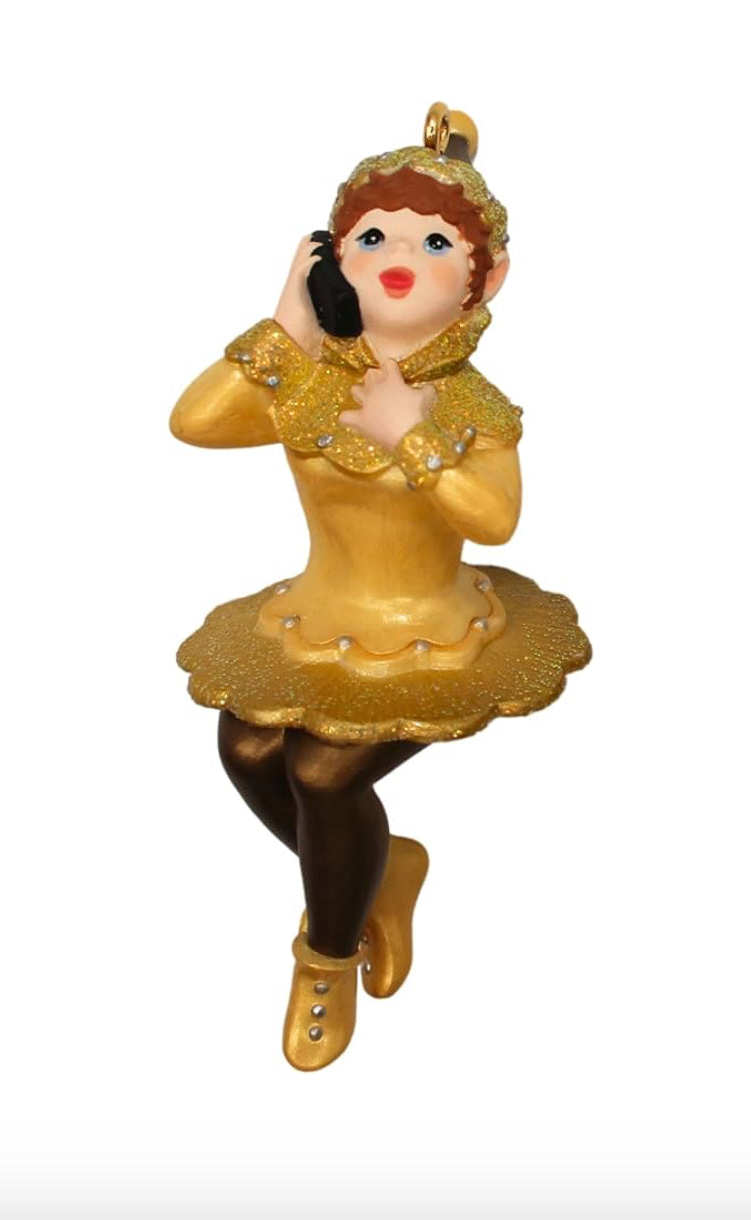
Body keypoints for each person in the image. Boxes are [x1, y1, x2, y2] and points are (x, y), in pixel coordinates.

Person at [170, 105, 591, 1071]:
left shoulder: (471, 403)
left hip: (433, 628)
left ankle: (325, 957)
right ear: (331, 259)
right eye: (371, 238)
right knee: (245, 746)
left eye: (434, 243)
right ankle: (379, 868)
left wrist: (413, 435)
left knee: (324, 774)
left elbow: (495, 517)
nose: (397, 258)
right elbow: (194, 423)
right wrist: (286, 326)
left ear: (485, 281)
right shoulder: (312, 379)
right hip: (318, 614)